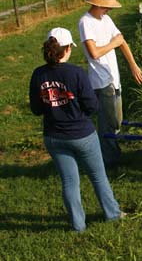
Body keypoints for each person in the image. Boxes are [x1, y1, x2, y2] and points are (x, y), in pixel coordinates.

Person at [29, 28, 124, 232]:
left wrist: (53, 104)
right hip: (82, 135)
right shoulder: (77, 74)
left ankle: (78, 225)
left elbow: (36, 109)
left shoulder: (38, 75)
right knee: (98, 176)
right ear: (66, 50)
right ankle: (112, 214)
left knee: (70, 181)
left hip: (54, 136)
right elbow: (92, 106)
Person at [78, 0, 142, 168]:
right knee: (107, 124)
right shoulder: (86, 22)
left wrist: (133, 65)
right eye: (107, 6)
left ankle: (110, 154)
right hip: (101, 81)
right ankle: (110, 161)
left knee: (116, 121)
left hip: (114, 78)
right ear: (98, 3)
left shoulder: (106, 20)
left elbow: (122, 41)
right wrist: (113, 43)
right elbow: (94, 53)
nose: (109, 9)